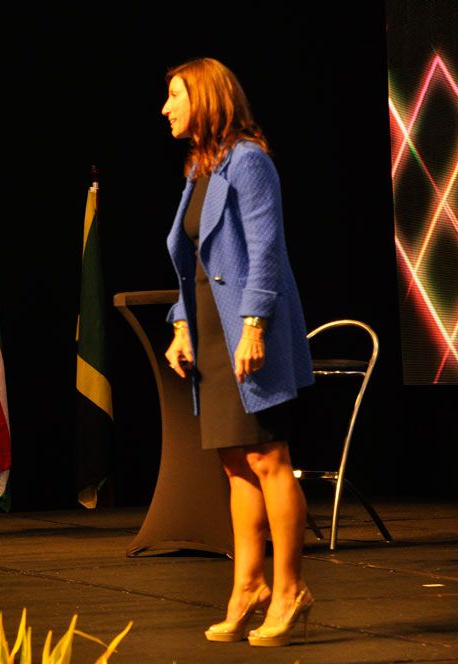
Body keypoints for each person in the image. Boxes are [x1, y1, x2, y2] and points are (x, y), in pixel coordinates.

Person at [160, 58, 315, 647]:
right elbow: (194, 262)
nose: (166, 108)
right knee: (235, 463)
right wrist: (181, 326)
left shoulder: (248, 161)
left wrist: (254, 327)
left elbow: (266, 249)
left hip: (248, 328)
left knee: (269, 456)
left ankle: (290, 589)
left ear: (204, 98)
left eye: (175, 95)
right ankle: (247, 588)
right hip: (210, 331)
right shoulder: (201, 168)